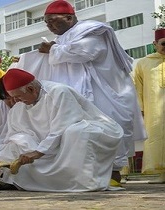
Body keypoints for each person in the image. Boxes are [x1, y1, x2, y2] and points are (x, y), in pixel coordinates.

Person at [34, 0, 146, 184]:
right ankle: (88, 175)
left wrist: (53, 49)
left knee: (109, 127)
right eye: (47, 23)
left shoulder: (91, 30)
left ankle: (114, 174)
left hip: (105, 91)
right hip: (84, 92)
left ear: (69, 17)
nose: (50, 26)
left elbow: (86, 52)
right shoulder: (65, 37)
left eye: (53, 20)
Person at [0, 68, 123, 192]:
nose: (16, 101)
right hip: (48, 144)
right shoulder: (20, 106)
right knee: (19, 141)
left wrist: (38, 152)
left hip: (88, 131)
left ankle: (85, 182)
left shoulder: (59, 92)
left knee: (77, 132)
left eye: (18, 97)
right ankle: (39, 181)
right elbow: (15, 134)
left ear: (31, 89)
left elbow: (63, 126)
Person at [133, 28, 165, 183]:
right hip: (154, 111)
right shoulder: (144, 63)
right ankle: (160, 173)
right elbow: (137, 87)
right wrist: (140, 109)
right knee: (155, 139)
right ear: (155, 44)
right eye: (164, 44)